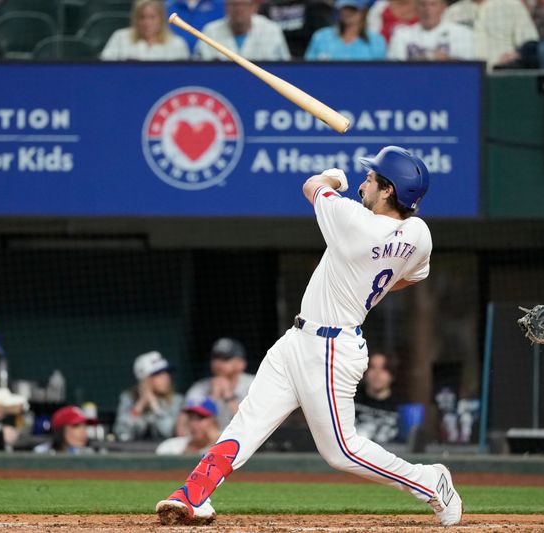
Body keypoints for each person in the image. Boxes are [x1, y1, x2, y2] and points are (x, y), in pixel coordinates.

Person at [155, 146, 462, 526]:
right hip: (298, 339)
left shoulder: (352, 219)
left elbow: (311, 185)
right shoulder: (419, 234)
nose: (364, 181)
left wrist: (334, 177)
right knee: (247, 422)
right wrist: (363, 283)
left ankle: (430, 482)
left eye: (372, 178)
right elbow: (408, 278)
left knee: (342, 453)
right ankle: (193, 494)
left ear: (388, 190)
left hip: (332, 348)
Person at [182, 337, 255, 432]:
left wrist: (229, 396)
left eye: (225, 358)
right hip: (211, 444)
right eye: (215, 357)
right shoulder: (199, 388)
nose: (218, 363)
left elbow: (254, 427)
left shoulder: (254, 384)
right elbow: (181, 429)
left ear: (241, 364)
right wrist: (212, 398)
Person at [444, 0, 538, 70]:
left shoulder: (512, 5)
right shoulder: (453, 12)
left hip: (502, 73)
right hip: (464, 75)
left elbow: (530, 41)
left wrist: (517, 54)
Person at [113, 351, 183, 441]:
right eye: (159, 374)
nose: (166, 377)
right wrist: (140, 405)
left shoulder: (177, 401)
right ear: (145, 380)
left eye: (166, 372)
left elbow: (170, 432)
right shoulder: (128, 398)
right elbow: (122, 433)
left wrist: (155, 407)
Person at [194, 0, 291, 61]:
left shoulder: (271, 30)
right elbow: (197, 68)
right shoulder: (210, 31)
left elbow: (285, 67)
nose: (238, 9)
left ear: (254, 7)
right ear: (226, 7)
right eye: (234, 5)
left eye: (243, 4)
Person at [100, 0, 190, 61]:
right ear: (135, 18)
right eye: (142, 17)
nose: (147, 22)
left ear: (161, 18)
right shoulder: (120, 38)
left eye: (152, 17)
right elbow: (105, 68)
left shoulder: (177, 44)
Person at [387, 0, 475, 61]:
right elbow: (395, 67)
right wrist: (430, 57)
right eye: (423, 5)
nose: (427, 9)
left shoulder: (462, 32)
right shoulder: (402, 34)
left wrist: (445, 59)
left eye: (433, 4)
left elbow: (468, 66)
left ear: (443, 7)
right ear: (416, 8)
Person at [304, 0, 386, 60]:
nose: (347, 12)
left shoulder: (376, 41)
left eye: (353, 9)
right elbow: (308, 68)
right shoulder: (321, 37)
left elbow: (380, 73)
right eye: (344, 8)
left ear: (363, 12)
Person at [258, 0, 334, 58]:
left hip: (304, 63)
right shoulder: (266, 8)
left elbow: (325, 37)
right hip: (273, 61)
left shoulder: (315, 6)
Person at [354, 352, 401, 444]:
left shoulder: (402, 406)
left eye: (383, 369)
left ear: (392, 375)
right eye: (372, 367)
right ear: (365, 372)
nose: (377, 374)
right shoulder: (350, 398)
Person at [156, 398, 221, 455]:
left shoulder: (224, 447)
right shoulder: (171, 446)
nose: (194, 424)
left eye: (201, 417)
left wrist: (215, 442)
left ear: (214, 422)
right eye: (191, 418)